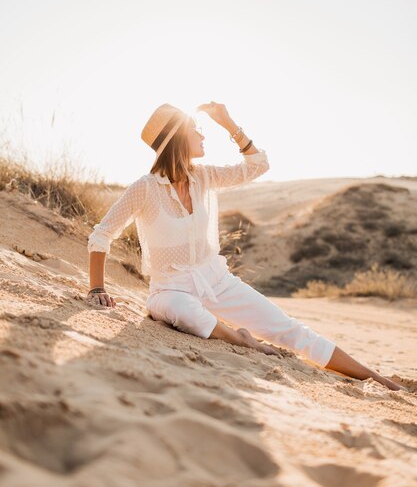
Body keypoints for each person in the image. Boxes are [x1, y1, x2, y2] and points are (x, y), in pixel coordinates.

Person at [87, 102, 405, 391]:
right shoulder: (145, 188)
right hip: (170, 290)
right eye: (195, 129)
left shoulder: (204, 177)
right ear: (178, 139)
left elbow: (257, 166)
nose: (201, 134)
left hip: (216, 281)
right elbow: (102, 235)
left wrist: (229, 124)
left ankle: (380, 381)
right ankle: (243, 341)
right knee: (186, 311)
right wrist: (96, 288)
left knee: (289, 330)